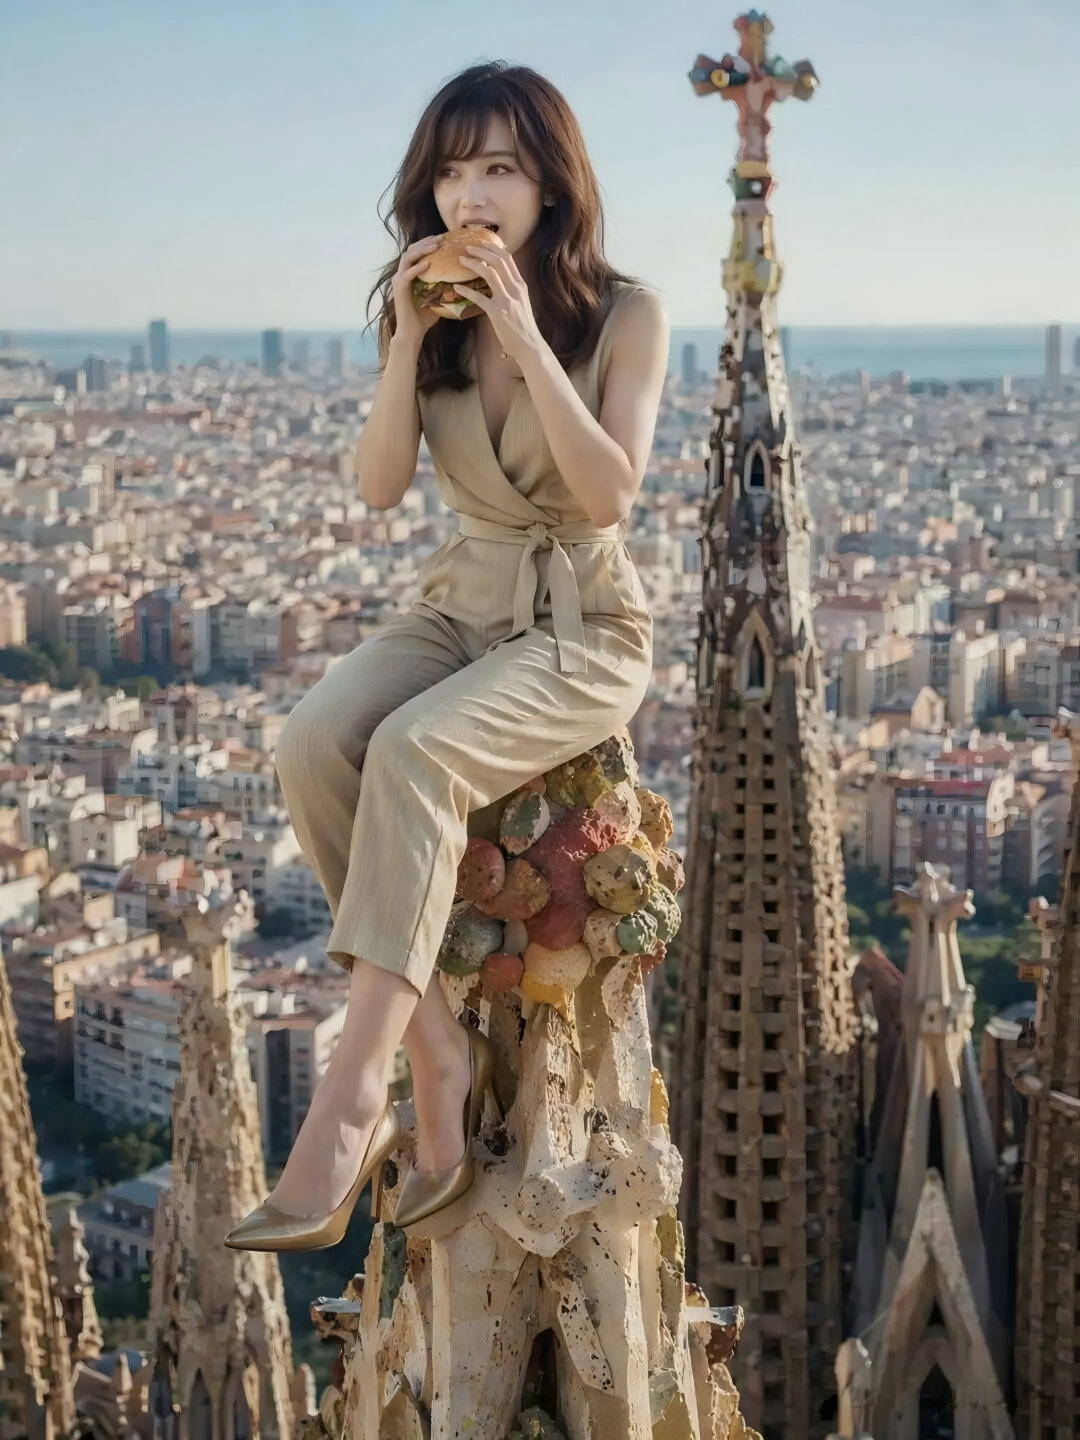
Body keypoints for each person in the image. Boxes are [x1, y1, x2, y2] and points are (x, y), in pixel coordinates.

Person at [225, 61, 668, 1251]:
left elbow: (611, 493)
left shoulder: (626, 314)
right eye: (452, 168)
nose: (470, 193)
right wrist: (408, 336)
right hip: (458, 602)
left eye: (500, 168)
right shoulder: (423, 310)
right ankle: (436, 1043)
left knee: (418, 749)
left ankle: (353, 1092)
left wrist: (523, 334)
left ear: (551, 184)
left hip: (579, 622)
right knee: (313, 742)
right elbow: (376, 491)